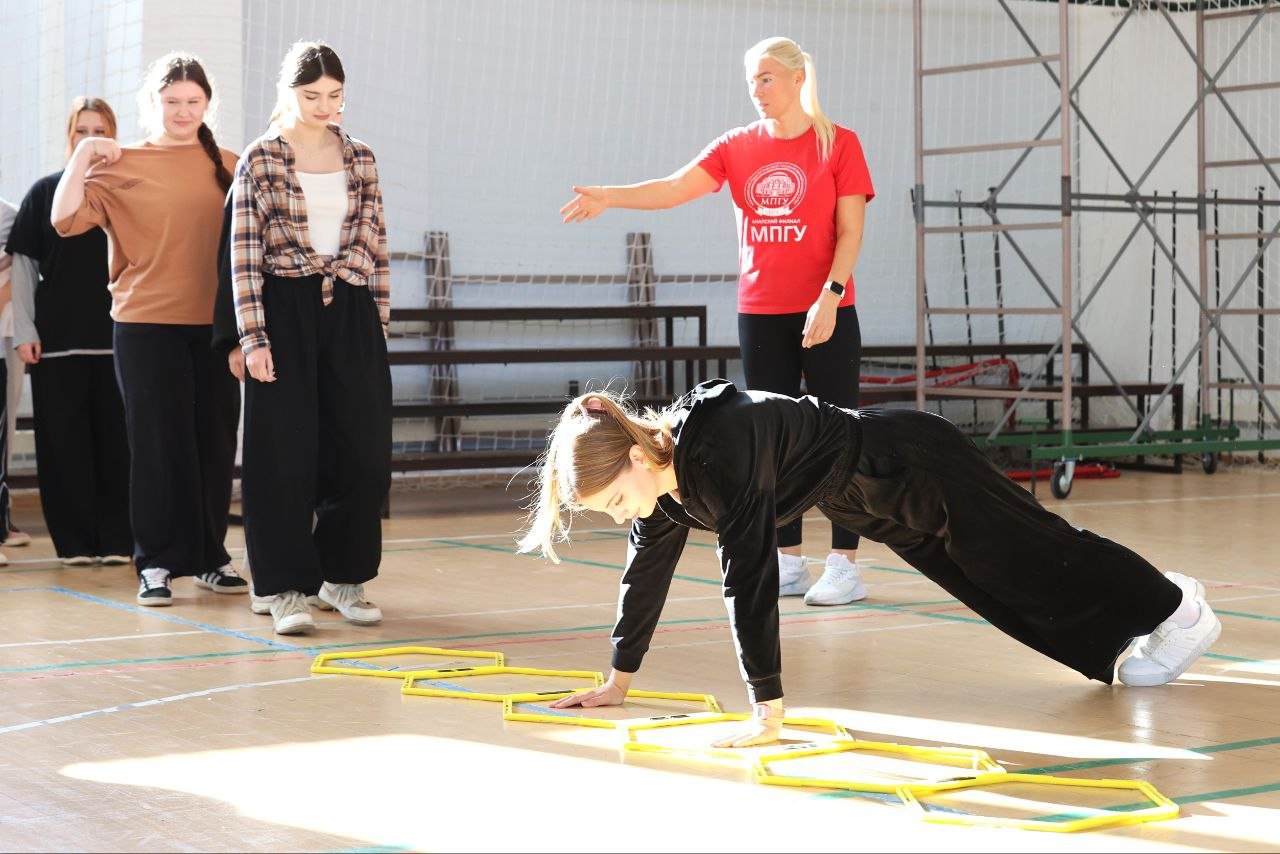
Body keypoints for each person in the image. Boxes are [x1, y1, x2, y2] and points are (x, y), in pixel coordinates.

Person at [517, 381, 1223, 748]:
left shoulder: (716, 445)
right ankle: (1123, 637)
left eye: (612, 499)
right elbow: (646, 575)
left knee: (1041, 551)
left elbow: (749, 577)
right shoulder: (667, 489)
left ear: (639, 457)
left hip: (910, 462)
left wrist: (767, 708)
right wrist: (618, 680)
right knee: (992, 588)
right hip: (869, 500)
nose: (617, 515)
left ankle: (1178, 608)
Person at [560, 36, 874, 607]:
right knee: (771, 440)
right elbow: (675, 188)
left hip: (826, 307)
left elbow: (850, 232)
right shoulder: (736, 146)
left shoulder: (839, 144)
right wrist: (611, 195)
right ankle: (788, 559)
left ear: (799, 77)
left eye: (767, 78)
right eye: (751, 80)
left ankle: (845, 563)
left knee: (838, 432)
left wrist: (830, 296)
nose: (757, 90)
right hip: (761, 311)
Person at [50, 53, 246, 606]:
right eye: (171, 101)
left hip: (214, 329)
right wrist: (88, 151)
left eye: (193, 102)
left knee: (213, 443)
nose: (182, 111)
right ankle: (155, 562)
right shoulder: (118, 161)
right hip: (144, 326)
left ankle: (211, 557)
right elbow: (62, 221)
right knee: (157, 446)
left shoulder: (230, 164)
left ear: (207, 104)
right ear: (151, 104)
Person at [231, 41, 391, 635]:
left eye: (334, 95)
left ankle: (343, 577)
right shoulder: (260, 158)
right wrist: (254, 338)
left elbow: (377, 248)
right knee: (283, 456)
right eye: (312, 96)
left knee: (363, 453)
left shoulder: (363, 157)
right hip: (283, 307)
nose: (325, 106)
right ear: (288, 93)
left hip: (350, 309)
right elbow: (243, 258)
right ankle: (283, 589)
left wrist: (377, 328)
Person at [6, 96, 133, 566]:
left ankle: (119, 540)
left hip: (122, 343)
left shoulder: (127, 191)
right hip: (56, 345)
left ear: (114, 135)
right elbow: (23, 267)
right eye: (82, 131)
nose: (91, 138)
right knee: (64, 449)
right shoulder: (44, 193)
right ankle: (76, 543)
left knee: (119, 446)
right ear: (70, 136)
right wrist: (24, 330)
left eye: (100, 129)